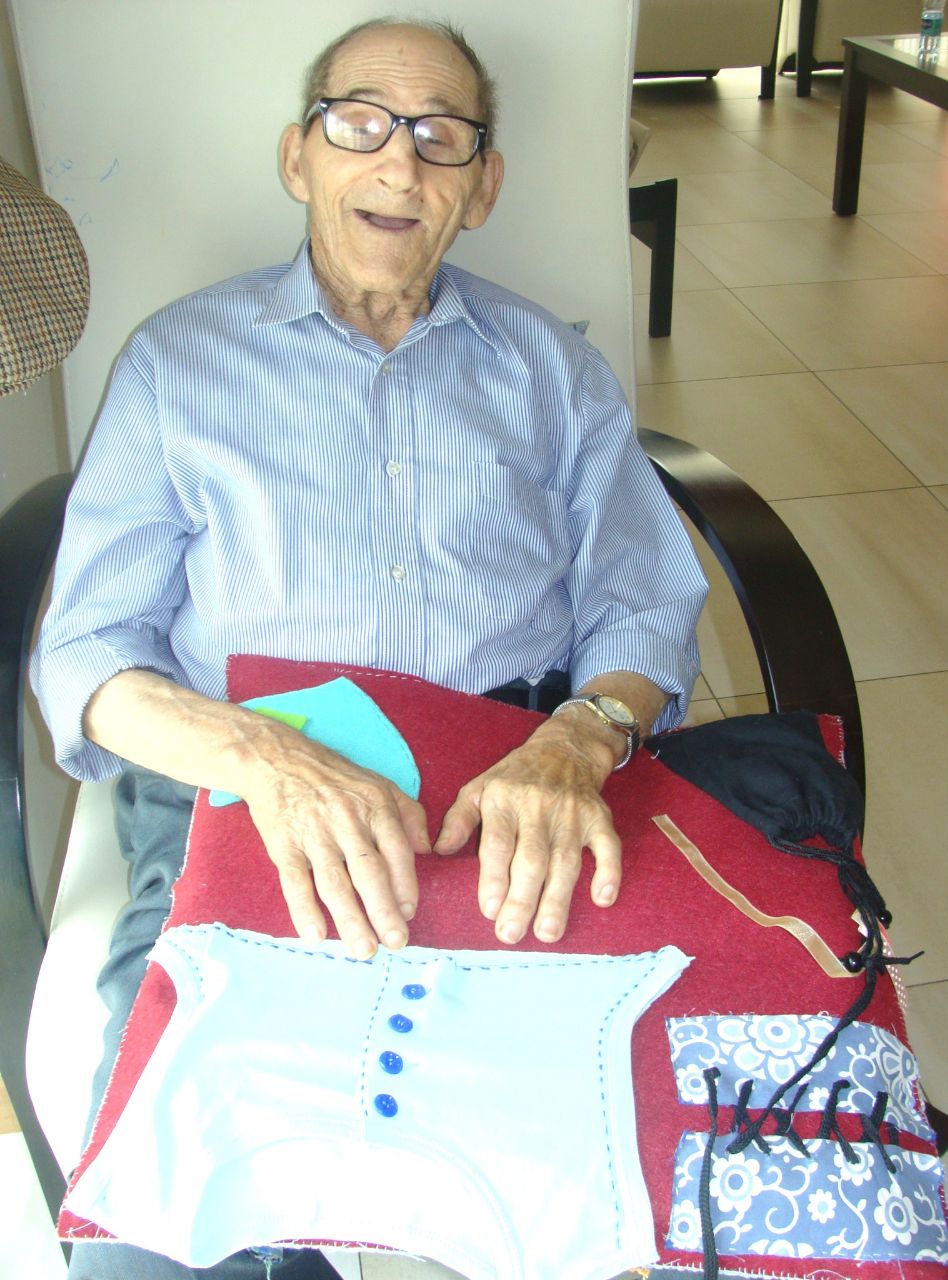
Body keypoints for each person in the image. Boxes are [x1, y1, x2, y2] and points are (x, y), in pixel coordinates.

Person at [31, 17, 707, 1279]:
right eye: (361, 123)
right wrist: (268, 760)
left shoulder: (554, 370)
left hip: (510, 798)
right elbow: (82, 657)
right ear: (299, 157)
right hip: (245, 794)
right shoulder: (175, 362)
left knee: (648, 1172)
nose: (401, 161)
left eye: (441, 136)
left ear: (481, 186)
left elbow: (646, 602)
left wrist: (580, 736)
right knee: (170, 1212)